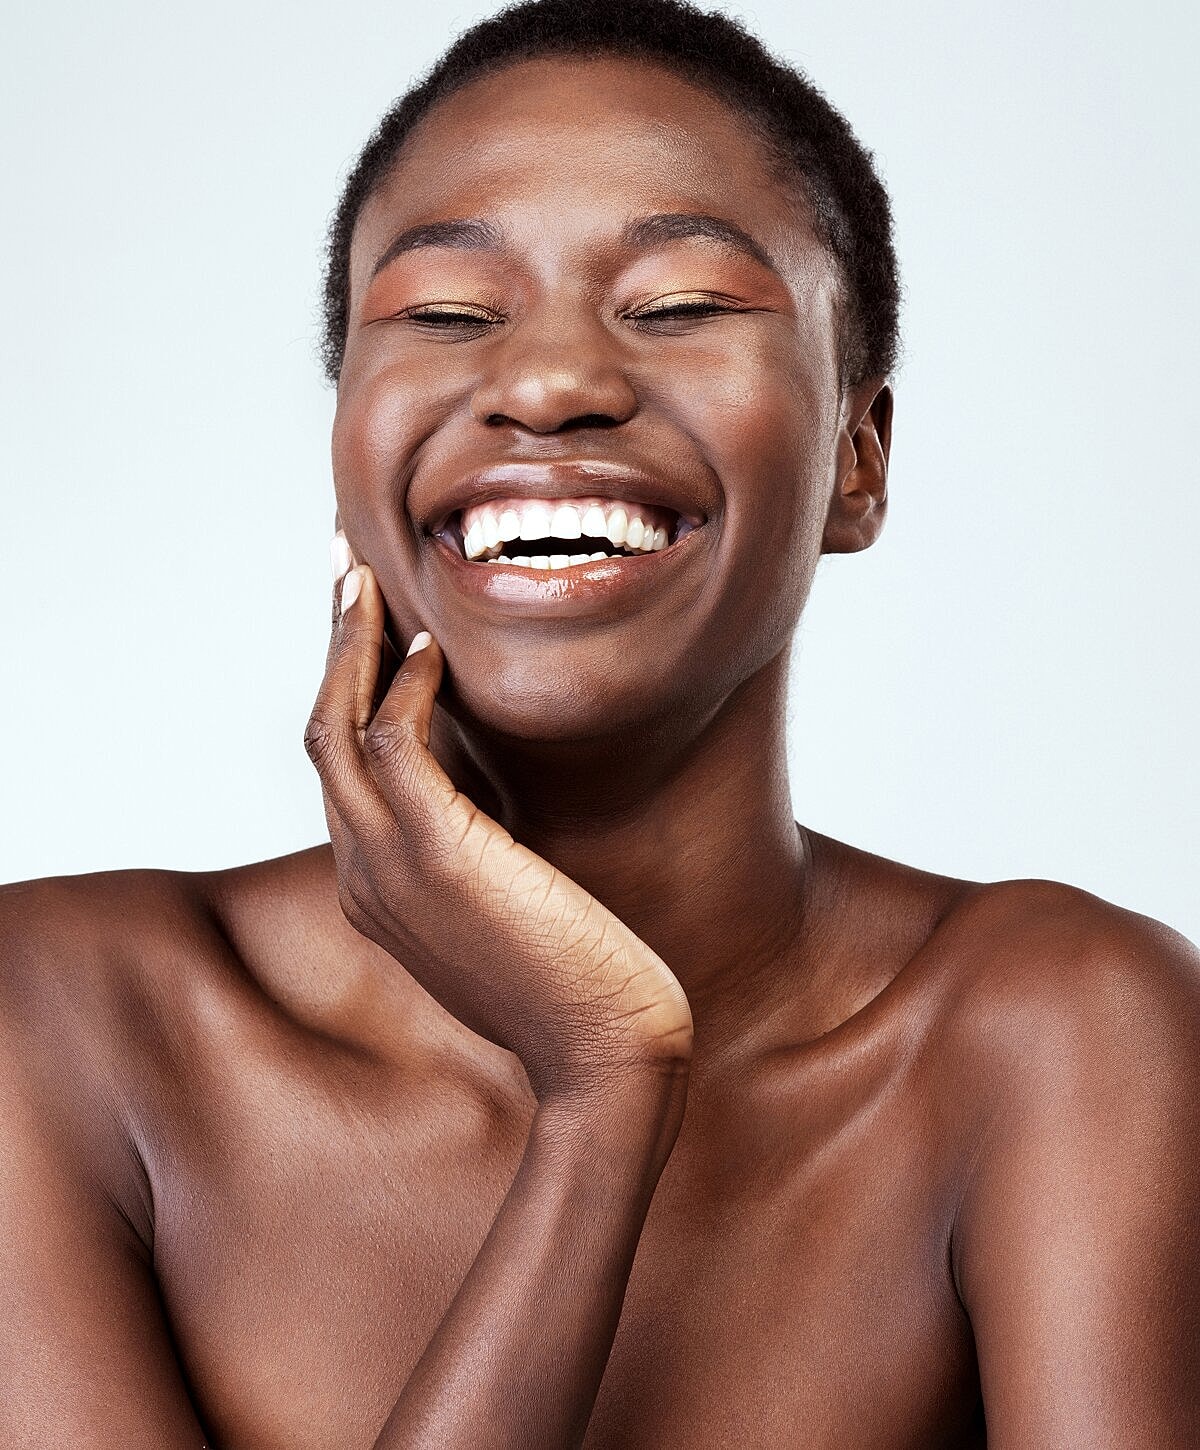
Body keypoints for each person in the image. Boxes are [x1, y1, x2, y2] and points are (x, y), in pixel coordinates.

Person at [1, 0, 1196, 1444]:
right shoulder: (60, 1022)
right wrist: (605, 1086)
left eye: (681, 306)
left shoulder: (1062, 1030)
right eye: (446, 315)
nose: (553, 384)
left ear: (857, 460)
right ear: (345, 451)